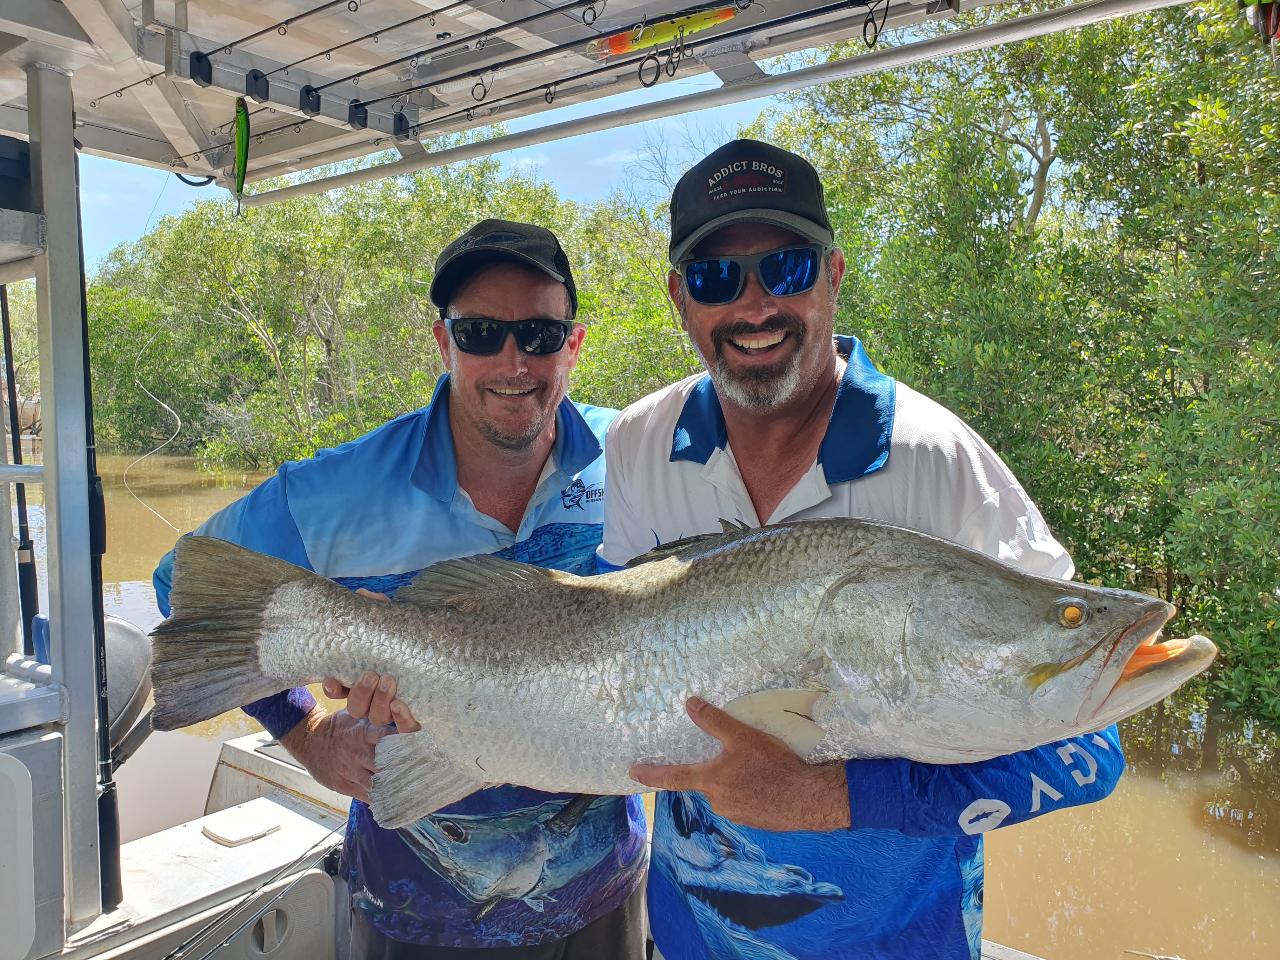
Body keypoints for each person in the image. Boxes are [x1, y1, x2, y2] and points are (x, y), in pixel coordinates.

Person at [598, 140, 1125, 960]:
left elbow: (1092, 750)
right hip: (685, 940)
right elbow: (604, 661)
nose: (755, 304)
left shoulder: (941, 463)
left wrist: (832, 797)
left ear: (834, 276)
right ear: (679, 299)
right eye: (715, 278)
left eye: (788, 268)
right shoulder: (637, 442)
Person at [154, 220, 647, 958]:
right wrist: (306, 734)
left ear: (572, 346)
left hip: (604, 897)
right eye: (481, 332)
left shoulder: (639, 454)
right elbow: (189, 589)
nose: (514, 360)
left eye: (540, 335)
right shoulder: (335, 490)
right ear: (444, 345)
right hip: (412, 915)